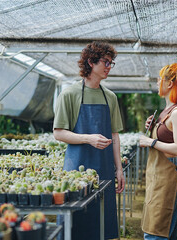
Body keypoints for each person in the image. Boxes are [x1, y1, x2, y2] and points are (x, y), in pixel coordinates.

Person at [53, 41, 125, 240]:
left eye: (111, 63)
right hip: (77, 169)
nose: (109, 67)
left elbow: (115, 135)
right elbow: (58, 133)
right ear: (91, 62)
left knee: (101, 223)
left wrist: (118, 168)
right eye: (106, 62)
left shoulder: (110, 97)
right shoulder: (69, 94)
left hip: (104, 169)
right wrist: (88, 138)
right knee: (76, 224)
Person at [139, 61, 177, 240]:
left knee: (156, 232)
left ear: (169, 84)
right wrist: (154, 126)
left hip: (166, 179)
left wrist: (151, 141)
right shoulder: (166, 111)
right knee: (166, 231)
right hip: (159, 178)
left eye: (159, 79)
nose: (156, 83)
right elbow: (167, 136)